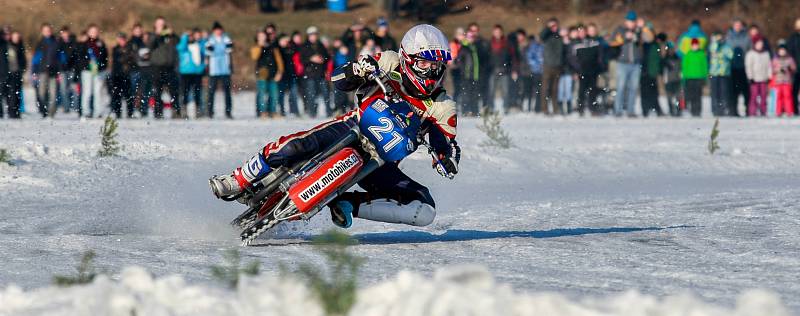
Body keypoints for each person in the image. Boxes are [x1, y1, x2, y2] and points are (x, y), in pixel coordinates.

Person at [209, 24, 459, 230]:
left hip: (382, 162)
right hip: (354, 126)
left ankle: (350, 204)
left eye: (436, 65)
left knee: (424, 209)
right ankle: (240, 178)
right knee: (298, 145)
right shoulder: (390, 61)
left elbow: (444, 140)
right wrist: (358, 69)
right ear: (407, 59)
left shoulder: (443, 105)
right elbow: (339, 80)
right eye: (425, 64)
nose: (431, 71)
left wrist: (444, 156)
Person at [610, 11, 642, 117]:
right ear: (626, 21)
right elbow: (612, 42)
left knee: (633, 88)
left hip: (636, 64)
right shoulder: (620, 30)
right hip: (622, 64)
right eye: (630, 21)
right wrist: (625, 38)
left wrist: (643, 28)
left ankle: (630, 110)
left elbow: (648, 39)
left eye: (633, 21)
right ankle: (617, 110)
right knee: (621, 87)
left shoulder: (639, 31)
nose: (631, 23)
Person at [149, 17, 180, 119]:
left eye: (162, 24)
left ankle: (176, 112)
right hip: (157, 67)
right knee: (157, 91)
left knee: (173, 90)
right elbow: (150, 45)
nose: (161, 26)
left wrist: (172, 34)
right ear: (155, 25)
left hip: (170, 67)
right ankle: (158, 112)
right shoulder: (152, 35)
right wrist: (158, 34)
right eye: (159, 24)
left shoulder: (169, 36)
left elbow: (178, 42)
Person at [251, 30, 284, 119]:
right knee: (262, 95)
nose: (262, 38)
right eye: (260, 36)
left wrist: (280, 72)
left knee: (274, 94)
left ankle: (272, 112)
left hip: (273, 74)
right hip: (262, 75)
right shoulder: (255, 47)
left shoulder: (273, 47)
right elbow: (254, 57)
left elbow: (279, 60)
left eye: (263, 36)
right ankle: (263, 112)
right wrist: (260, 46)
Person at [77, 24, 109, 119]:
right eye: (92, 31)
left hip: (99, 71)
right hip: (87, 71)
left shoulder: (101, 43)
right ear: (88, 32)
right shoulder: (84, 43)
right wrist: (87, 65)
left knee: (98, 92)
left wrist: (102, 66)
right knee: (87, 91)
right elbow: (80, 57)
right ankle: (86, 111)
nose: (94, 33)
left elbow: (105, 57)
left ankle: (98, 112)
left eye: (96, 31)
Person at [32, 23, 62, 118]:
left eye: (48, 30)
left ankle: (51, 113)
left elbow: (61, 58)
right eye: (45, 30)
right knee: (41, 93)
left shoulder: (56, 42)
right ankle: (44, 111)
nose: (47, 32)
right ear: (42, 32)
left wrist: (60, 70)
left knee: (53, 94)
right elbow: (35, 59)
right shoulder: (40, 43)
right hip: (42, 71)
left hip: (54, 72)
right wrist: (34, 71)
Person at [205, 21, 234, 119]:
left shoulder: (226, 38)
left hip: (225, 69)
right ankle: (210, 111)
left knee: (227, 92)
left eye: (220, 30)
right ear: (214, 31)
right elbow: (208, 52)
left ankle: (228, 111)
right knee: (211, 91)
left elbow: (229, 50)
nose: (218, 32)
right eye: (216, 30)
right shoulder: (210, 39)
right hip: (214, 70)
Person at [574, 23, 604, 116]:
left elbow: (599, 56)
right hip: (581, 71)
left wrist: (599, 67)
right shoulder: (576, 43)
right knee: (581, 91)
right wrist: (576, 70)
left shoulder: (594, 42)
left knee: (593, 90)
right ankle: (580, 108)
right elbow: (572, 58)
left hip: (593, 70)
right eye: (580, 31)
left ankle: (593, 108)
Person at [300, 26, 330, 118]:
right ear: (308, 36)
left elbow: (327, 57)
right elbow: (302, 60)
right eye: (311, 35)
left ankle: (329, 112)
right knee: (311, 94)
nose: (313, 37)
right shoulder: (304, 46)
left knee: (326, 94)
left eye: (315, 35)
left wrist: (322, 59)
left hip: (321, 73)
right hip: (310, 74)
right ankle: (311, 112)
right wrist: (311, 59)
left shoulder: (320, 45)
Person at [177, 28, 206, 119]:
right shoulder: (184, 47)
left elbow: (205, 51)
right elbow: (180, 47)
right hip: (185, 73)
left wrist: (203, 38)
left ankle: (198, 111)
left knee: (197, 92)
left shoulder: (199, 45)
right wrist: (185, 36)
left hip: (197, 73)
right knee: (185, 92)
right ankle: (184, 111)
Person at [727, 19, 751, 117]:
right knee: (734, 91)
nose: (737, 27)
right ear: (733, 26)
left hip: (744, 67)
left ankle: (747, 110)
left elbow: (750, 50)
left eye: (739, 25)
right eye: (736, 25)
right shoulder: (728, 37)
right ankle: (734, 110)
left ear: (742, 26)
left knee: (746, 91)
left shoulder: (746, 37)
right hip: (732, 68)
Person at [488, 24, 513, 113]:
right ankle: (491, 107)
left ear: (501, 33)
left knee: (505, 91)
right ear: (493, 32)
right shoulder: (489, 43)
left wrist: (511, 69)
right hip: (493, 70)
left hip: (504, 70)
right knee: (491, 91)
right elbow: (487, 57)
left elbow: (512, 57)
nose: (497, 33)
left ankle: (506, 107)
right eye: (496, 32)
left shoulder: (507, 43)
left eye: (499, 32)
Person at [110, 32, 136, 118]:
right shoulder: (115, 49)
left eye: (122, 39)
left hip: (126, 75)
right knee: (117, 95)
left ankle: (130, 113)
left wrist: (126, 57)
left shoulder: (129, 48)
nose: (121, 41)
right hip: (117, 75)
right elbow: (118, 60)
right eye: (119, 39)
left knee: (128, 95)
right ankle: (117, 113)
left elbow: (131, 60)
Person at [129, 23, 152, 118]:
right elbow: (130, 55)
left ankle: (144, 110)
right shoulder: (131, 42)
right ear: (133, 31)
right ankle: (133, 110)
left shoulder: (146, 42)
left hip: (146, 70)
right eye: (136, 30)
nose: (138, 32)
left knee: (145, 91)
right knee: (134, 91)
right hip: (135, 70)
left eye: (139, 30)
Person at [708, 32, 734, 117]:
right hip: (714, 73)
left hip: (724, 73)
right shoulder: (712, 46)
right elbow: (711, 51)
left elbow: (731, 55)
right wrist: (717, 44)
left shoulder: (726, 47)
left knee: (724, 92)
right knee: (715, 93)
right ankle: (715, 110)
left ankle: (724, 108)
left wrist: (723, 47)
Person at [456, 30, 480, 115]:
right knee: (466, 93)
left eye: (473, 37)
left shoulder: (475, 47)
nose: (471, 39)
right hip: (467, 75)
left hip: (475, 75)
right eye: (469, 37)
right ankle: (466, 110)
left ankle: (474, 111)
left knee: (475, 94)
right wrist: (463, 70)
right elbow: (459, 61)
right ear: (466, 38)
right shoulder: (464, 47)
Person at [682, 38, 707, 117]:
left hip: (699, 77)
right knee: (691, 95)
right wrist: (684, 78)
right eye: (694, 45)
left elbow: (705, 66)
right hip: (689, 78)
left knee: (698, 95)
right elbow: (684, 67)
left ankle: (698, 111)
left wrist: (705, 77)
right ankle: (693, 110)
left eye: (696, 44)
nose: (695, 46)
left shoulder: (701, 54)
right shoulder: (688, 54)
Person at [745, 37, 771, 116]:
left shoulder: (766, 54)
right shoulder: (750, 54)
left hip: (763, 78)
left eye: (761, 44)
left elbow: (769, 66)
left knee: (763, 96)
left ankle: (763, 111)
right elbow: (748, 66)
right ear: (755, 44)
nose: (760, 46)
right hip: (754, 79)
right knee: (754, 96)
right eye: (758, 44)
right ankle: (753, 111)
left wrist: (769, 76)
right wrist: (750, 77)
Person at [57, 26, 79, 114]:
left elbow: (76, 56)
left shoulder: (74, 42)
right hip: (62, 70)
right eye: (63, 33)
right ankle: (66, 107)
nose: (65, 35)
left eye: (66, 33)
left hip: (72, 69)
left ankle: (75, 106)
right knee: (63, 89)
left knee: (74, 88)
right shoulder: (58, 42)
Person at [278, 33, 301, 117]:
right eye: (284, 40)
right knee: (281, 94)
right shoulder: (278, 49)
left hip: (292, 74)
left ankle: (295, 111)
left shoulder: (292, 48)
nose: (286, 42)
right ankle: (281, 111)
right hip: (282, 75)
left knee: (294, 94)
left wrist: (290, 43)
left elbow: (297, 50)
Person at [771, 42, 796, 117]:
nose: (782, 52)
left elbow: (794, 68)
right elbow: (772, 69)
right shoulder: (775, 59)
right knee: (779, 97)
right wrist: (778, 70)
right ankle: (778, 111)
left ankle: (789, 111)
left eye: (784, 50)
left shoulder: (789, 59)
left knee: (787, 96)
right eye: (781, 50)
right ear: (778, 51)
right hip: (778, 81)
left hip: (787, 81)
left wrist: (789, 69)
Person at [5, 30, 26, 118]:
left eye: (17, 37)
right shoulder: (8, 46)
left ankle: (17, 112)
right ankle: (12, 112)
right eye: (14, 37)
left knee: (18, 93)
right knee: (12, 93)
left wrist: (22, 69)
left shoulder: (21, 47)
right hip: (10, 73)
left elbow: (23, 60)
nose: (16, 39)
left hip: (18, 73)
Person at [661, 39, 682, 117]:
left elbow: (680, 69)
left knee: (678, 97)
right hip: (668, 81)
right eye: (669, 49)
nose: (670, 51)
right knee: (669, 97)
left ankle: (679, 110)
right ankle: (671, 110)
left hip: (677, 80)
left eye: (672, 49)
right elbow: (661, 71)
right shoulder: (664, 60)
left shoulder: (678, 58)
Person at [526, 34, 544, 113]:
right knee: (535, 90)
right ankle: (533, 107)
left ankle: (539, 107)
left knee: (541, 90)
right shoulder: (533, 47)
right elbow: (530, 58)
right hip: (535, 71)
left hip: (543, 72)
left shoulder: (543, 46)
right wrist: (537, 64)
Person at [787, 18, 800, 115]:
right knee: (794, 91)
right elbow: (789, 52)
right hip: (795, 68)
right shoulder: (792, 38)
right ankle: (795, 110)